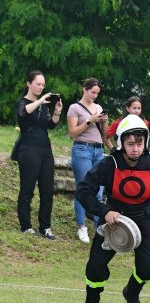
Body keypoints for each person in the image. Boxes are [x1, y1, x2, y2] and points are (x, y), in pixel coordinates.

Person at [74, 115, 150, 303]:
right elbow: (83, 191)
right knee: (95, 267)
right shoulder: (109, 163)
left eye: (139, 144)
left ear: (145, 142)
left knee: (149, 269)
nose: (135, 148)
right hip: (113, 221)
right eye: (130, 143)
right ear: (121, 143)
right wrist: (104, 211)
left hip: (145, 220)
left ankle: (132, 292)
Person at [15, 70, 63, 240]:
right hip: (28, 150)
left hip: (45, 151)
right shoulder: (24, 103)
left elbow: (49, 125)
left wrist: (57, 112)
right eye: (38, 84)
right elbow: (23, 113)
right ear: (29, 84)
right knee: (27, 189)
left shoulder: (42, 106)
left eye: (43, 85)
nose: (41, 87)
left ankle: (45, 227)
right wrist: (40, 101)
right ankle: (26, 226)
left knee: (47, 191)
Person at [66, 78, 108, 243]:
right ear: (84, 89)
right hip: (82, 149)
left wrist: (103, 122)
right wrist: (90, 121)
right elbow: (73, 132)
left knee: (98, 191)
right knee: (83, 188)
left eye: (97, 93)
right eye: (92, 92)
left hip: (98, 150)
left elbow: (104, 134)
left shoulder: (98, 108)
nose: (95, 96)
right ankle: (81, 227)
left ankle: (98, 228)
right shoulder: (74, 108)